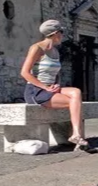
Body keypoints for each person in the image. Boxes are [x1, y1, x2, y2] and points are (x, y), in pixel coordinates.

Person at [21, 20, 89, 149]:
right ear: (56, 33)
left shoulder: (55, 51)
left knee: (76, 92)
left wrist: (57, 84)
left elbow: (56, 74)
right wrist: (45, 87)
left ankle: (76, 134)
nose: (62, 35)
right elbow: (25, 73)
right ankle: (77, 135)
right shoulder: (37, 48)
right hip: (36, 91)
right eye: (61, 32)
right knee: (74, 102)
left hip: (50, 88)